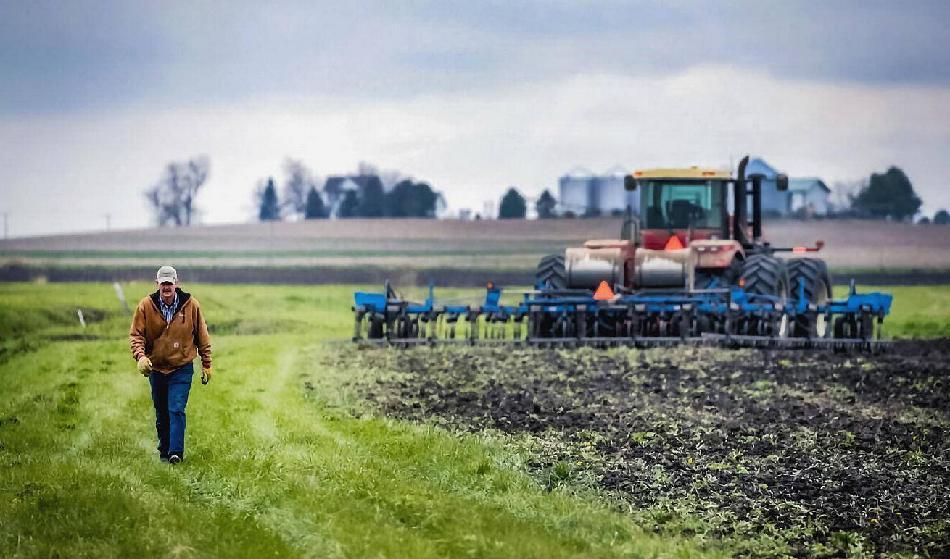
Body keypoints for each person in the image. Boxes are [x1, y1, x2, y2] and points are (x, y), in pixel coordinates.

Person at [129, 265, 212, 464]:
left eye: (170, 283)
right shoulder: (145, 306)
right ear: (157, 284)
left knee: (176, 408)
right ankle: (165, 451)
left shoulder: (191, 305)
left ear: (177, 284)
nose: (166, 287)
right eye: (163, 283)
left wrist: (206, 363)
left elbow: (202, 336)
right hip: (156, 367)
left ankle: (176, 452)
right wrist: (140, 357)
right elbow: (136, 335)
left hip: (181, 367)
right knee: (162, 412)